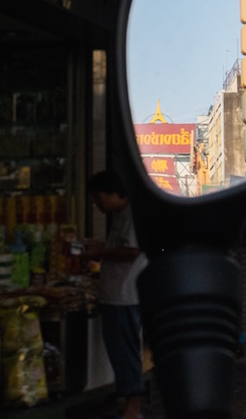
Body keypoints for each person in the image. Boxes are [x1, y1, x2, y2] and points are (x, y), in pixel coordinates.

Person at [88, 171, 147, 419]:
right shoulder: (119, 215)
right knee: (120, 352)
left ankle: (133, 409)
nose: (96, 203)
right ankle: (128, 405)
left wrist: (100, 252)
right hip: (115, 294)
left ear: (112, 193)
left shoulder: (132, 214)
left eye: (98, 197)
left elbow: (133, 251)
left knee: (126, 352)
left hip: (126, 295)